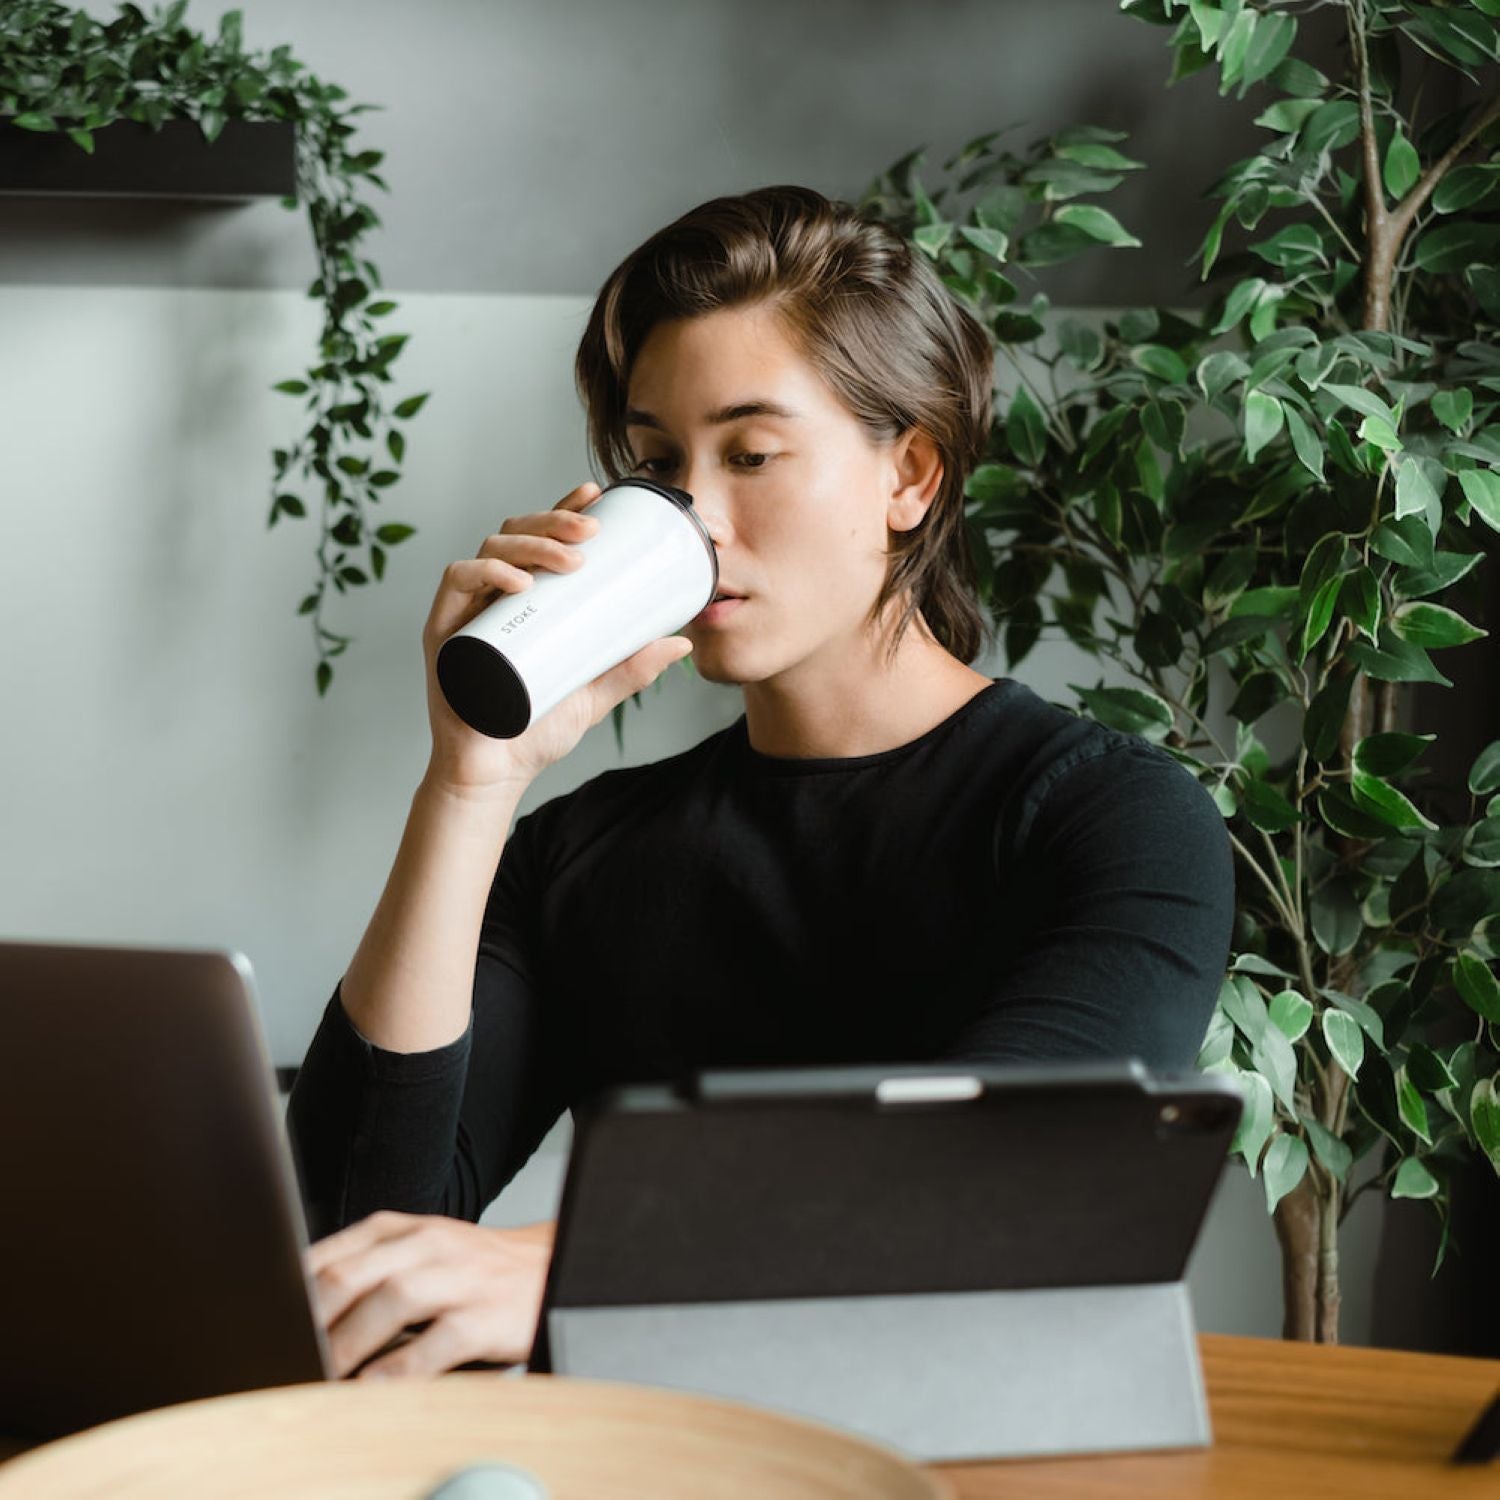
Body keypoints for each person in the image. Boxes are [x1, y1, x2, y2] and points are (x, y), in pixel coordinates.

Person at [286, 184, 1236, 1382]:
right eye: (656, 464)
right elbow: (353, 1232)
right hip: (647, 1461)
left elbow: (1002, 1179)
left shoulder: (1111, 819)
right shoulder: (590, 850)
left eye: (753, 453)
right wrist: (471, 785)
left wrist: (584, 1262)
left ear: (913, 476)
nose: (699, 517)